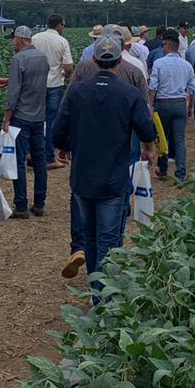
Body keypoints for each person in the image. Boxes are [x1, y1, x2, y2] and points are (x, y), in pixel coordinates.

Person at [53, 36, 157, 288]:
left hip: (82, 178)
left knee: (89, 236)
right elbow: (147, 129)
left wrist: (64, 148)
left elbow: (58, 131)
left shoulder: (77, 92)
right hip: (112, 179)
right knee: (108, 240)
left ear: (95, 60)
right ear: (119, 61)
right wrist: (149, 149)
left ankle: (96, 290)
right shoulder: (129, 94)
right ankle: (103, 299)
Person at [0, 26, 49, 218]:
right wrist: (10, 80)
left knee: (19, 162)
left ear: (20, 39)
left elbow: (14, 94)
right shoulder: (42, 58)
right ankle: (40, 203)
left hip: (21, 117)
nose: (12, 43)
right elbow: (34, 82)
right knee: (40, 160)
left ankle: (22, 205)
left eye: (13, 39)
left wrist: (6, 119)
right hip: (39, 116)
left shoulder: (18, 59)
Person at [147, 29, 195, 183]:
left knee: (163, 137)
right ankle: (181, 173)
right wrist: (190, 107)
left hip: (163, 103)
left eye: (164, 45)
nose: (162, 47)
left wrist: (151, 105)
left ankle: (163, 169)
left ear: (168, 46)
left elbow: (153, 86)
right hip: (180, 103)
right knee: (180, 140)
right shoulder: (187, 65)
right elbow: (193, 89)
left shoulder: (159, 63)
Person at [30, 13, 74, 170]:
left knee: (34, 120)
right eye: (64, 25)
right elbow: (69, 67)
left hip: (34, 85)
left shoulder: (35, 38)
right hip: (54, 85)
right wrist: (64, 74)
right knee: (50, 121)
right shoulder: (62, 41)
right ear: (59, 25)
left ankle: (32, 156)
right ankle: (49, 157)